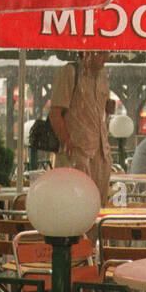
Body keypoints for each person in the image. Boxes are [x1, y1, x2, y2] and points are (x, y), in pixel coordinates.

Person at [47, 51, 112, 203]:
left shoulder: (102, 75)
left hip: (101, 154)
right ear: (87, 52)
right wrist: (68, 143)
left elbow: (104, 108)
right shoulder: (70, 73)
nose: (107, 58)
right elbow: (55, 114)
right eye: (102, 53)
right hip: (77, 153)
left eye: (108, 53)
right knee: (76, 207)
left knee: (98, 208)